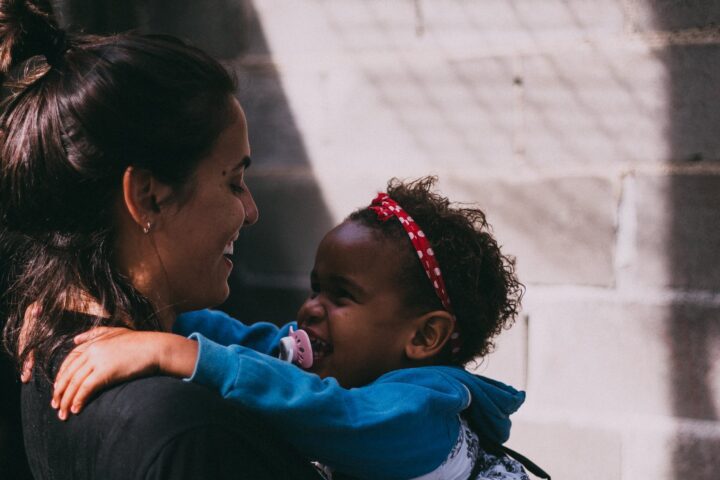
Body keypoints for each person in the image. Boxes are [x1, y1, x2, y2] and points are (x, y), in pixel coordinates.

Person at [0, 1, 321, 478]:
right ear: (147, 197)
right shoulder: (190, 434)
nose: (251, 212)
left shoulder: (49, 350)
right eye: (233, 182)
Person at [51, 177, 548, 480]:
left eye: (341, 296)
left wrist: (175, 354)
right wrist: (129, 310)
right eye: (315, 289)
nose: (311, 309)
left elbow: (332, 412)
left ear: (422, 338)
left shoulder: (423, 416)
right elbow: (254, 344)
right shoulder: (345, 361)